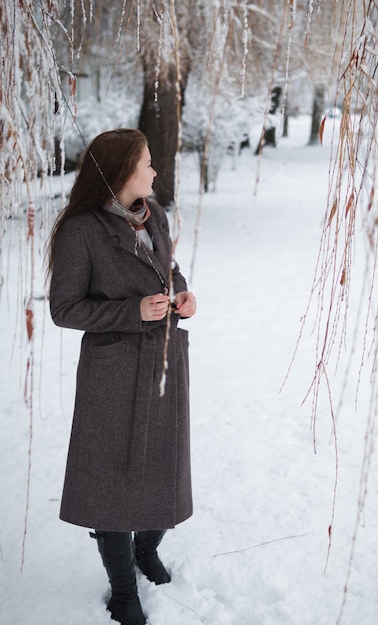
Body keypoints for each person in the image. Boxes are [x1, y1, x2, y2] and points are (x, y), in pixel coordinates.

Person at [47, 128, 196, 625]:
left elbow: (168, 273)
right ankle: (122, 592)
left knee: (163, 464)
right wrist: (132, 312)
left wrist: (183, 296)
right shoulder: (81, 231)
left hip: (165, 365)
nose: (155, 171)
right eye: (148, 163)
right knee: (112, 480)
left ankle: (146, 549)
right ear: (121, 172)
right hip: (112, 373)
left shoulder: (156, 217)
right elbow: (65, 309)